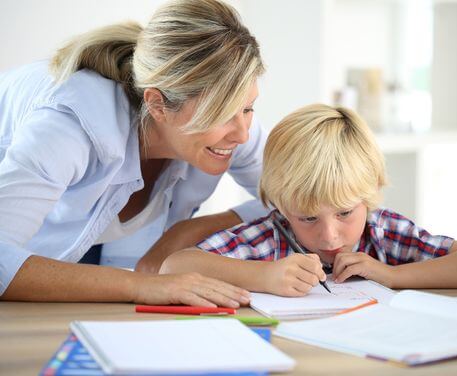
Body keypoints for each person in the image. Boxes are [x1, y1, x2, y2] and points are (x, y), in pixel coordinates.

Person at [0, 0, 268, 307]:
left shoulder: (233, 125)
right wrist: (142, 286)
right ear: (157, 105)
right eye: (221, 114)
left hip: (86, 232)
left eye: (248, 108)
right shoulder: (69, 126)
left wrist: (191, 229)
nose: (243, 134)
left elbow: (298, 199)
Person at [159, 104, 457, 297]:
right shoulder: (269, 238)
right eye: (308, 218)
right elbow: (174, 266)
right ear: (281, 207)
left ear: (369, 193)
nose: (329, 236)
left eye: (345, 212)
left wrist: (392, 275)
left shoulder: (383, 231)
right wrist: (263, 275)